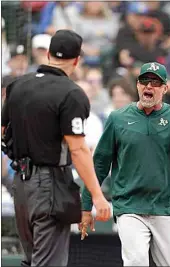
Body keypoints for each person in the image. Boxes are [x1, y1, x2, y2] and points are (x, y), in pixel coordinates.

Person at [1, 29, 111, 267]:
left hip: (20, 185)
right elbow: (78, 149)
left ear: (48, 54)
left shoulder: (18, 85)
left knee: (32, 261)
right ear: (77, 59)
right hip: (49, 186)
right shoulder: (71, 93)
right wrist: (97, 195)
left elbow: (3, 132)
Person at [80, 62, 170, 266]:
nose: (149, 86)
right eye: (144, 81)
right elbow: (99, 164)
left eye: (155, 82)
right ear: (137, 85)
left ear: (165, 89)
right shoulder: (118, 118)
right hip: (130, 205)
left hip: (166, 206)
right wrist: (86, 206)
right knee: (136, 262)